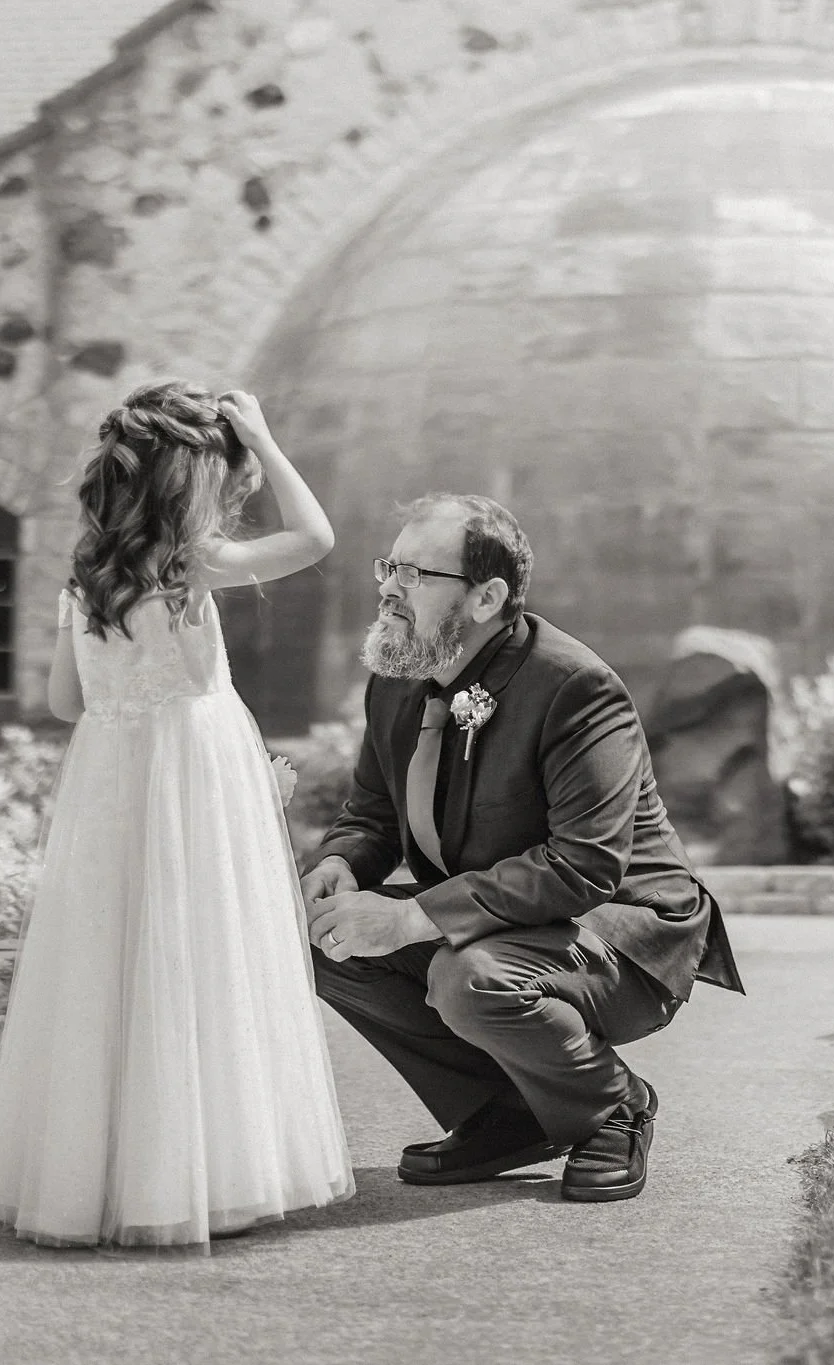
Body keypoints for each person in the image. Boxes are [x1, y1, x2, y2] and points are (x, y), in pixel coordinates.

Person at [0, 380, 353, 1249]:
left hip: (111, 781)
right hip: (195, 776)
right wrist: (264, 435)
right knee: (199, 962)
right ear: (189, 481)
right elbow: (315, 538)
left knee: (110, 964)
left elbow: (66, 703)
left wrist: (123, 692)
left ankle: (93, 1178)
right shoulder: (191, 562)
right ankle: (200, 1172)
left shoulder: (87, 581)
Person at [302, 494, 744, 1204]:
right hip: (500, 922)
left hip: (624, 934)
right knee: (320, 939)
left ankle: (614, 1104)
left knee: (470, 976)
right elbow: (374, 811)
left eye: (416, 573)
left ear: (487, 597)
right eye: (389, 566)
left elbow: (585, 864)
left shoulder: (576, 687)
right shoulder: (397, 676)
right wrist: (340, 864)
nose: (389, 587)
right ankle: (510, 1112)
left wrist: (410, 918)